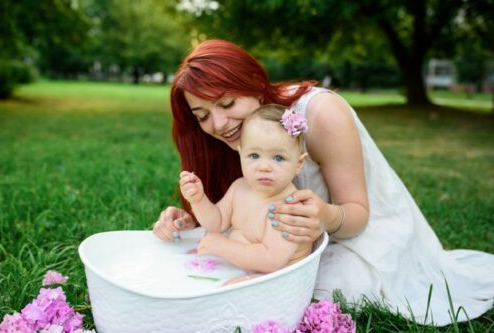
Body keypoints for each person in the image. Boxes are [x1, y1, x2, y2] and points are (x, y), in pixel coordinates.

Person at [153, 39, 494, 326]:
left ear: (254, 84)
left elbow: (357, 215)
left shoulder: (319, 113)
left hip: (354, 233)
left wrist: (324, 217)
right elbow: (229, 212)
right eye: (202, 115)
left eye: (227, 103)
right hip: (275, 241)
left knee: (326, 292)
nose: (219, 123)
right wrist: (191, 215)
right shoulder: (227, 137)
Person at [179, 104, 312, 282]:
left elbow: (272, 260)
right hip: (245, 267)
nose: (264, 167)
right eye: (254, 156)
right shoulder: (240, 187)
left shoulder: (289, 208)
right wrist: (199, 200)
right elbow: (216, 224)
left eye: (278, 158)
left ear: (298, 164)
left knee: (225, 292)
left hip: (279, 279)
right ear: (241, 154)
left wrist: (222, 246)